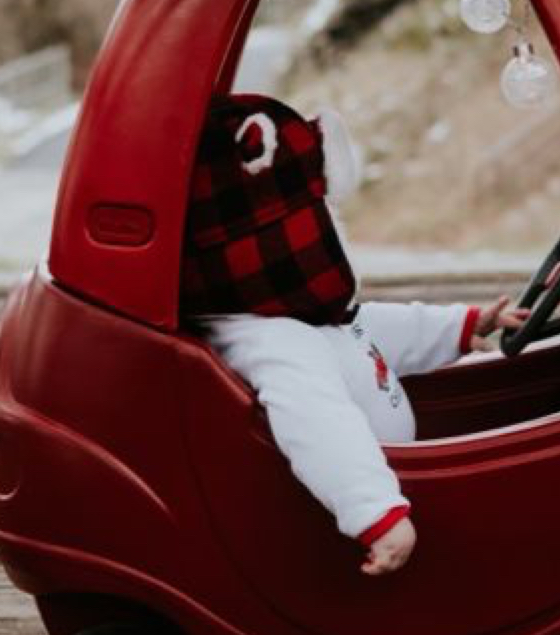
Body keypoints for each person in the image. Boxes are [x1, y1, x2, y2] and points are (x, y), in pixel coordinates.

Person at [180, 92, 527, 576]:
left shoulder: (300, 319)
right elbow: (318, 424)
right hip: (386, 500)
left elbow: (368, 329)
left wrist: (464, 325)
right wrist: (376, 514)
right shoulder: (276, 344)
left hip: (405, 474)